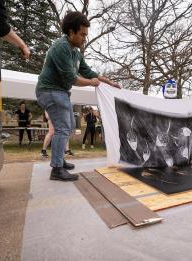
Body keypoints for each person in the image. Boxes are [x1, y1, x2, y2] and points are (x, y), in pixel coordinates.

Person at [36, 11, 120, 181]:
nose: (84, 38)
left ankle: (59, 160)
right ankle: (57, 169)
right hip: (50, 91)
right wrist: (91, 83)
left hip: (60, 92)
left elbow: (89, 72)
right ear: (71, 32)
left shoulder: (75, 52)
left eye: (86, 35)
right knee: (62, 128)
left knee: (68, 126)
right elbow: (71, 78)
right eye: (82, 34)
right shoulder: (61, 47)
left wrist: (108, 82)